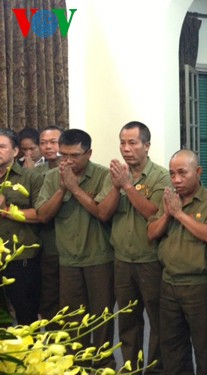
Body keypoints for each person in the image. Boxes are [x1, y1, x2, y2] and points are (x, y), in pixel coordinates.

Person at [36, 129, 115, 369]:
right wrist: (63, 189)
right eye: (64, 155)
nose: (68, 161)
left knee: (101, 319)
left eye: (75, 155)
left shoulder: (104, 175)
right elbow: (42, 215)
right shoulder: (52, 178)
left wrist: (76, 189)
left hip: (99, 258)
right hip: (67, 260)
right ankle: (74, 366)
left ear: (89, 153)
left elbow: (102, 212)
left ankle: (102, 365)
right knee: (71, 320)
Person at [96, 121, 170, 372]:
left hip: (150, 260)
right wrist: (117, 187)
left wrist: (128, 186)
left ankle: (156, 369)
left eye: (132, 142)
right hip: (122, 260)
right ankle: (131, 367)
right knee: (127, 319)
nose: (126, 149)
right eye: (122, 143)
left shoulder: (161, 175)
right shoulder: (115, 176)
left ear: (147, 146)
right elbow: (103, 213)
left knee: (158, 320)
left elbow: (155, 213)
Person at [147, 150, 207, 375]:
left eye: (182, 173)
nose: (176, 180)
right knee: (172, 348)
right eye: (172, 174)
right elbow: (151, 233)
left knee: (204, 348)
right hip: (168, 283)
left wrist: (179, 214)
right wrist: (167, 214)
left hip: (197, 286)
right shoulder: (169, 199)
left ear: (198, 172)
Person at [0, 128, 43, 325]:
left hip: (20, 258)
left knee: (26, 317)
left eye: (2, 146)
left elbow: (41, 214)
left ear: (15, 151)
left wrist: (6, 209)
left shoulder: (30, 177)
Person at [35, 126, 63, 323]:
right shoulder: (36, 173)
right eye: (43, 143)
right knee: (49, 296)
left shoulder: (76, 169)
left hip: (76, 242)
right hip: (47, 242)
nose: (48, 147)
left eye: (53, 142)